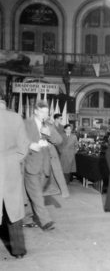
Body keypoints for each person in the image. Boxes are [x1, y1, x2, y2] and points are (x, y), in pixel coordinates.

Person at [24, 100, 63, 231]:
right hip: (31, 164)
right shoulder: (26, 124)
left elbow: (59, 140)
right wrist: (30, 145)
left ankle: (27, 218)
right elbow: (18, 140)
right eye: (42, 112)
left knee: (34, 193)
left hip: (45, 166)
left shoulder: (48, 125)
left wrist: (49, 133)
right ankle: (46, 221)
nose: (45, 115)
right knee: (36, 194)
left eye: (47, 112)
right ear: (35, 111)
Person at [0, 91, 30, 258]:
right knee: (13, 208)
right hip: (10, 166)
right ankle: (19, 251)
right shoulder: (16, 117)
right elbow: (24, 145)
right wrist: (13, 160)